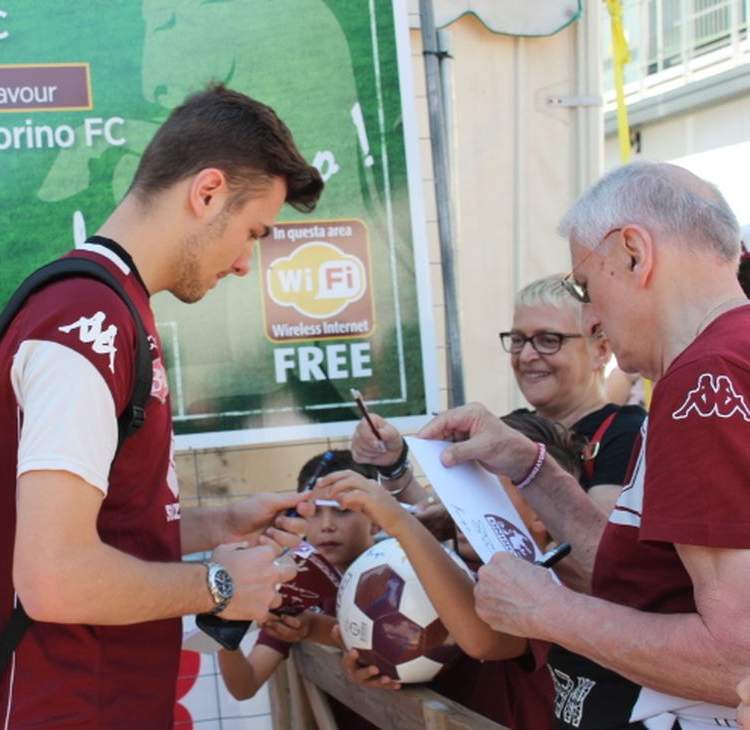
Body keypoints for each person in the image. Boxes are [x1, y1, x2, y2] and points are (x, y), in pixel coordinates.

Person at [0, 84, 325, 728]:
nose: (246, 263)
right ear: (208, 191)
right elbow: (54, 577)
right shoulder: (88, 321)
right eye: (253, 232)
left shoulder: (110, 306)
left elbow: (103, 527)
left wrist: (220, 522)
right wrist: (220, 587)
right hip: (67, 705)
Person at [417, 161, 750, 728]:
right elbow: (646, 578)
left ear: (634, 254)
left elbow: (736, 659)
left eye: (584, 287)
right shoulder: (713, 363)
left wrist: (547, 610)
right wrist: (530, 466)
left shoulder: (706, 376)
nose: (593, 316)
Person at [322, 411, 580, 730]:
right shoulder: (462, 568)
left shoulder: (557, 590)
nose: (461, 501)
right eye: (460, 484)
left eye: (482, 488)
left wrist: (400, 522)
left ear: (543, 509)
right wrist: (378, 659)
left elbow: (483, 640)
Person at [218, 450, 379, 729]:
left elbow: (388, 644)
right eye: (314, 512)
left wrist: (315, 628)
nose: (327, 526)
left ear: (376, 520)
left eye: (342, 511)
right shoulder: (295, 587)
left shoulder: (400, 578)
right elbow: (244, 684)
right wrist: (221, 619)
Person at [502, 274, 646, 513]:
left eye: (548, 340)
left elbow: (595, 543)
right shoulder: (512, 428)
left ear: (601, 351)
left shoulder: (626, 434)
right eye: (518, 340)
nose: (526, 356)